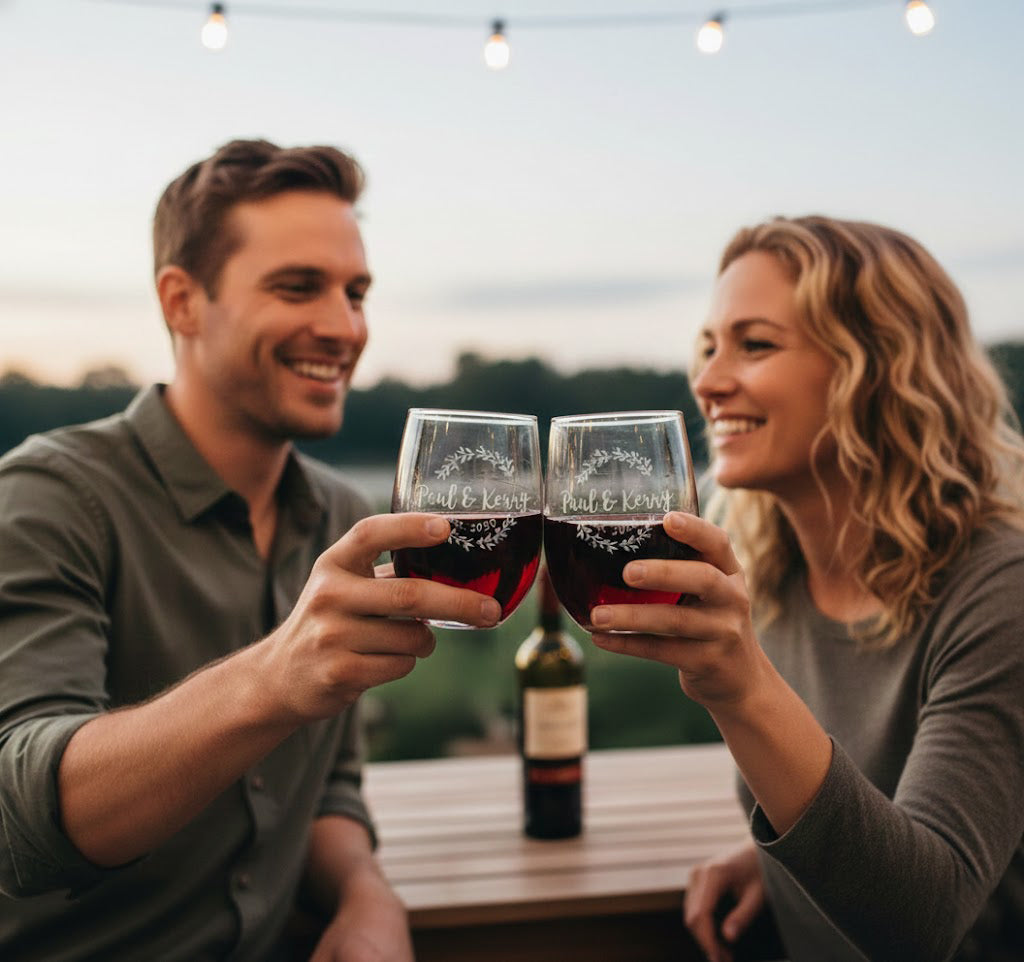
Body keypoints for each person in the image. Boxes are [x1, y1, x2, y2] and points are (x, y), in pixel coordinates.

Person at [0, 139, 502, 961]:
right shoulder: (50, 498)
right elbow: (19, 819)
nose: (344, 326)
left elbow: (330, 786)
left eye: (357, 292)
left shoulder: (339, 511)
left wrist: (367, 894)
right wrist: (275, 678)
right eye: (297, 287)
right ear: (182, 302)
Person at [588, 215, 1024, 962]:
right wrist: (776, 860)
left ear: (878, 366)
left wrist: (741, 687)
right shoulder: (775, 579)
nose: (709, 380)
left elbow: (926, 918)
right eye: (708, 348)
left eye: (755, 345)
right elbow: (852, 814)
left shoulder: (1001, 590)